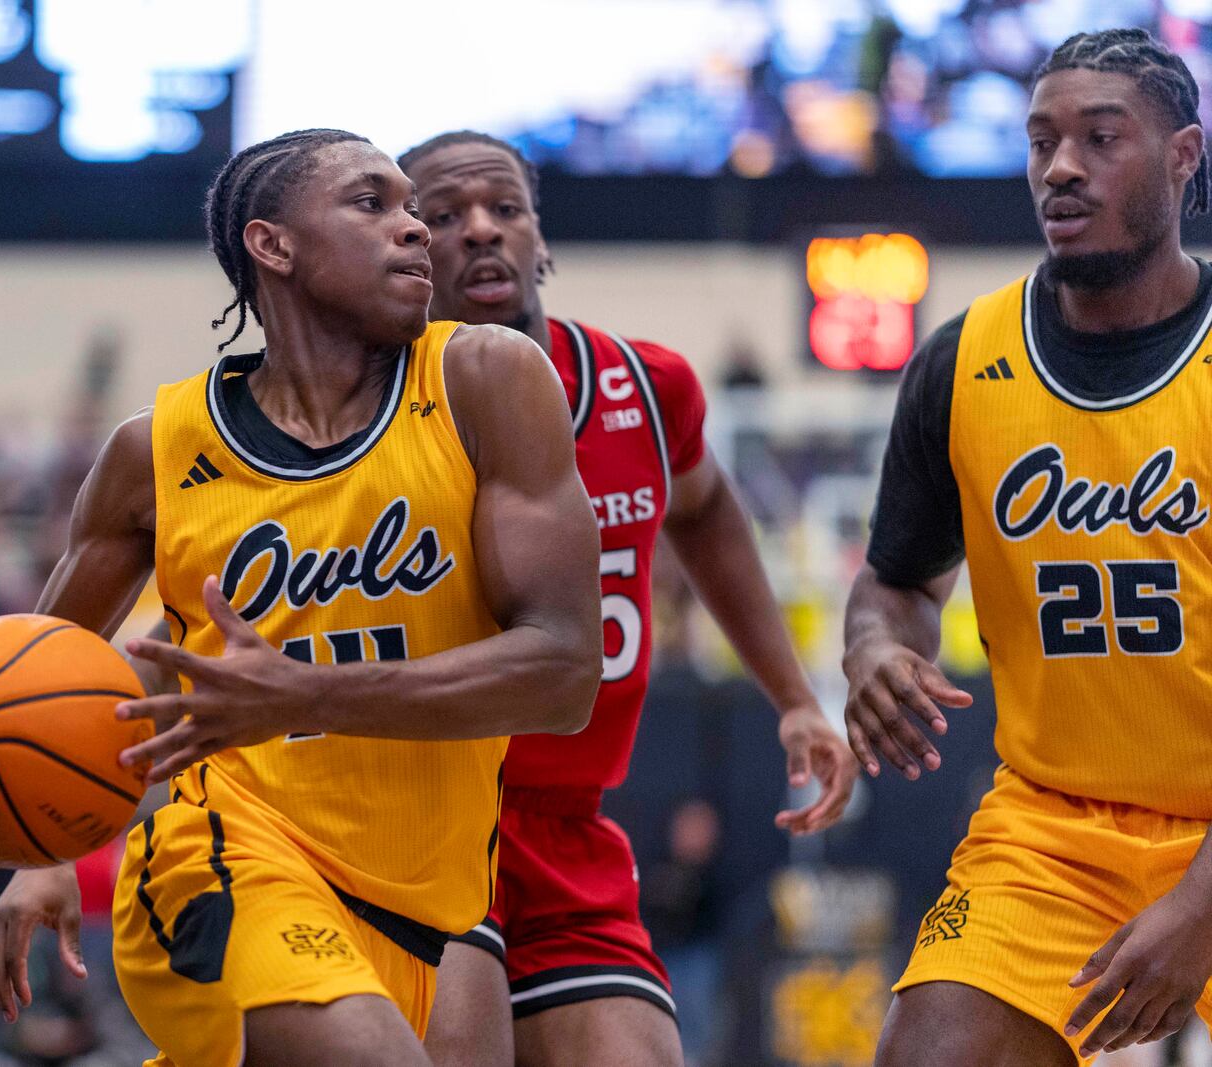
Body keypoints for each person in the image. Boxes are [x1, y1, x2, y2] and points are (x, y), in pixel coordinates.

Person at [0, 128, 603, 1067]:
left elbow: (563, 674)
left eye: (407, 205)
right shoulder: (159, 450)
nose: (413, 228)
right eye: (371, 203)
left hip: (423, 905)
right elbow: (40, 670)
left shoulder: (485, 380)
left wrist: (304, 694)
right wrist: (33, 837)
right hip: (220, 856)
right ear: (273, 245)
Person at [395, 131, 858, 1067]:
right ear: (408, 254)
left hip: (568, 833)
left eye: (506, 209)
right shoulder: (374, 411)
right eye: (444, 216)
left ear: (542, 240)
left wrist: (795, 694)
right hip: (416, 826)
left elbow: (712, 514)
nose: (481, 231)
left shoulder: (646, 387)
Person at [845, 29, 1212, 1066]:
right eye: (1041, 140)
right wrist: (875, 646)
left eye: (1100, 138)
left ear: (1184, 156)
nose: (1059, 166)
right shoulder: (962, 359)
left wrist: (1198, 908)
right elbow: (894, 580)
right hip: (1054, 829)